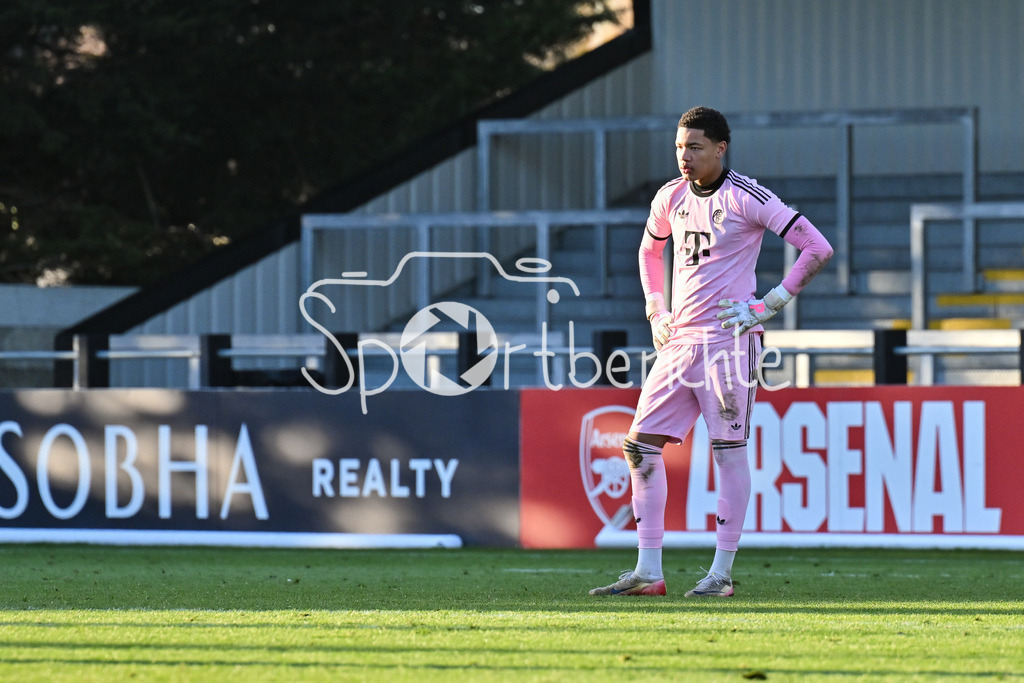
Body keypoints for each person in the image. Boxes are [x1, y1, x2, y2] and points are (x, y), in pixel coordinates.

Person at [590, 106, 833, 597]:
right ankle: (648, 571)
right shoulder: (670, 196)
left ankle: (720, 573)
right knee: (638, 446)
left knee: (727, 451)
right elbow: (648, 251)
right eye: (680, 147)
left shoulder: (747, 197)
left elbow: (817, 248)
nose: (685, 156)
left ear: (721, 148)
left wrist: (767, 306)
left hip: (729, 341)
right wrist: (656, 309)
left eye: (695, 147)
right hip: (680, 341)